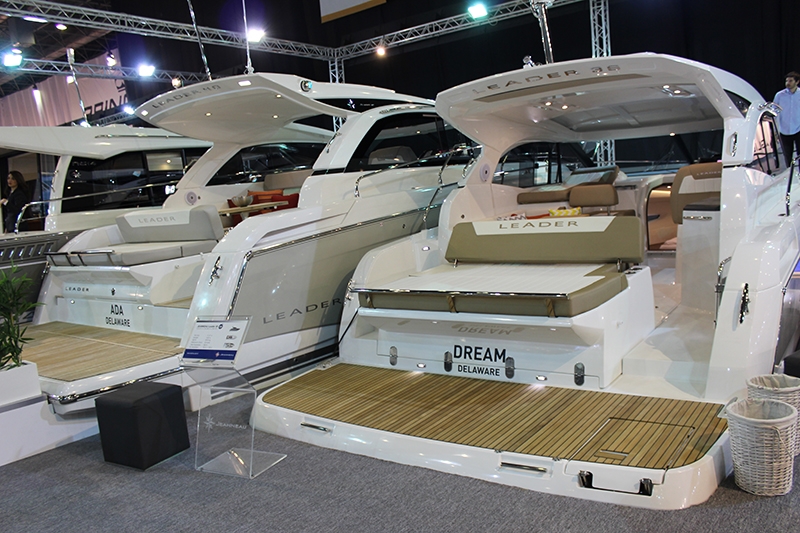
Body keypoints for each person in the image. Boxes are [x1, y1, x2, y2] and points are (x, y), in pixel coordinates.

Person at [775, 71, 800, 167]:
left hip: (798, 128)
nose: (788, 83)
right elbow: (775, 112)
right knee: (787, 156)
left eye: (790, 81)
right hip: (784, 129)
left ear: (797, 82)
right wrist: (776, 129)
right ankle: (789, 173)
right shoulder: (779, 95)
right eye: (786, 81)